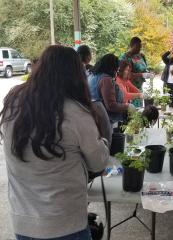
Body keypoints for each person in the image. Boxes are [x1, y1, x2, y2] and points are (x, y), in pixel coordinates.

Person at [0, 45, 110, 240]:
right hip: (65, 223)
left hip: (24, 222)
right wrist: (102, 140)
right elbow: (98, 162)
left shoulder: (12, 102)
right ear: (75, 75)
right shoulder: (75, 111)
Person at [88, 54, 134, 124]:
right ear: (113, 67)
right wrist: (127, 106)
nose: (117, 72)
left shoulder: (92, 75)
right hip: (103, 120)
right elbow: (111, 105)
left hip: (93, 117)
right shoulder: (106, 80)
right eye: (117, 69)